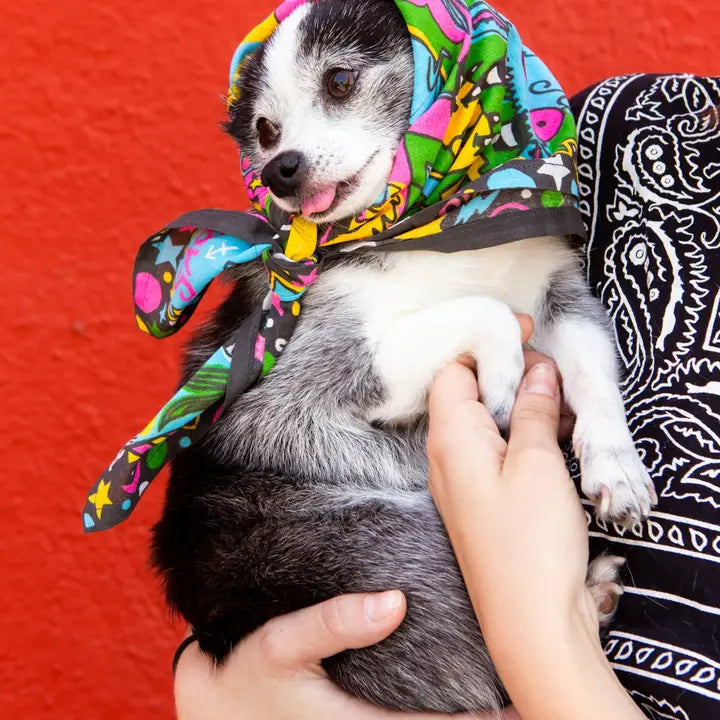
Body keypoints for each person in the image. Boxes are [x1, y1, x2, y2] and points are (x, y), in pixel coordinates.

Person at [175, 74, 720, 719]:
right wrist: (220, 687)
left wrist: (546, 647)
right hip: (340, 571)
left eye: (342, 84)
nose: (287, 156)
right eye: (268, 133)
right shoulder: (625, 136)